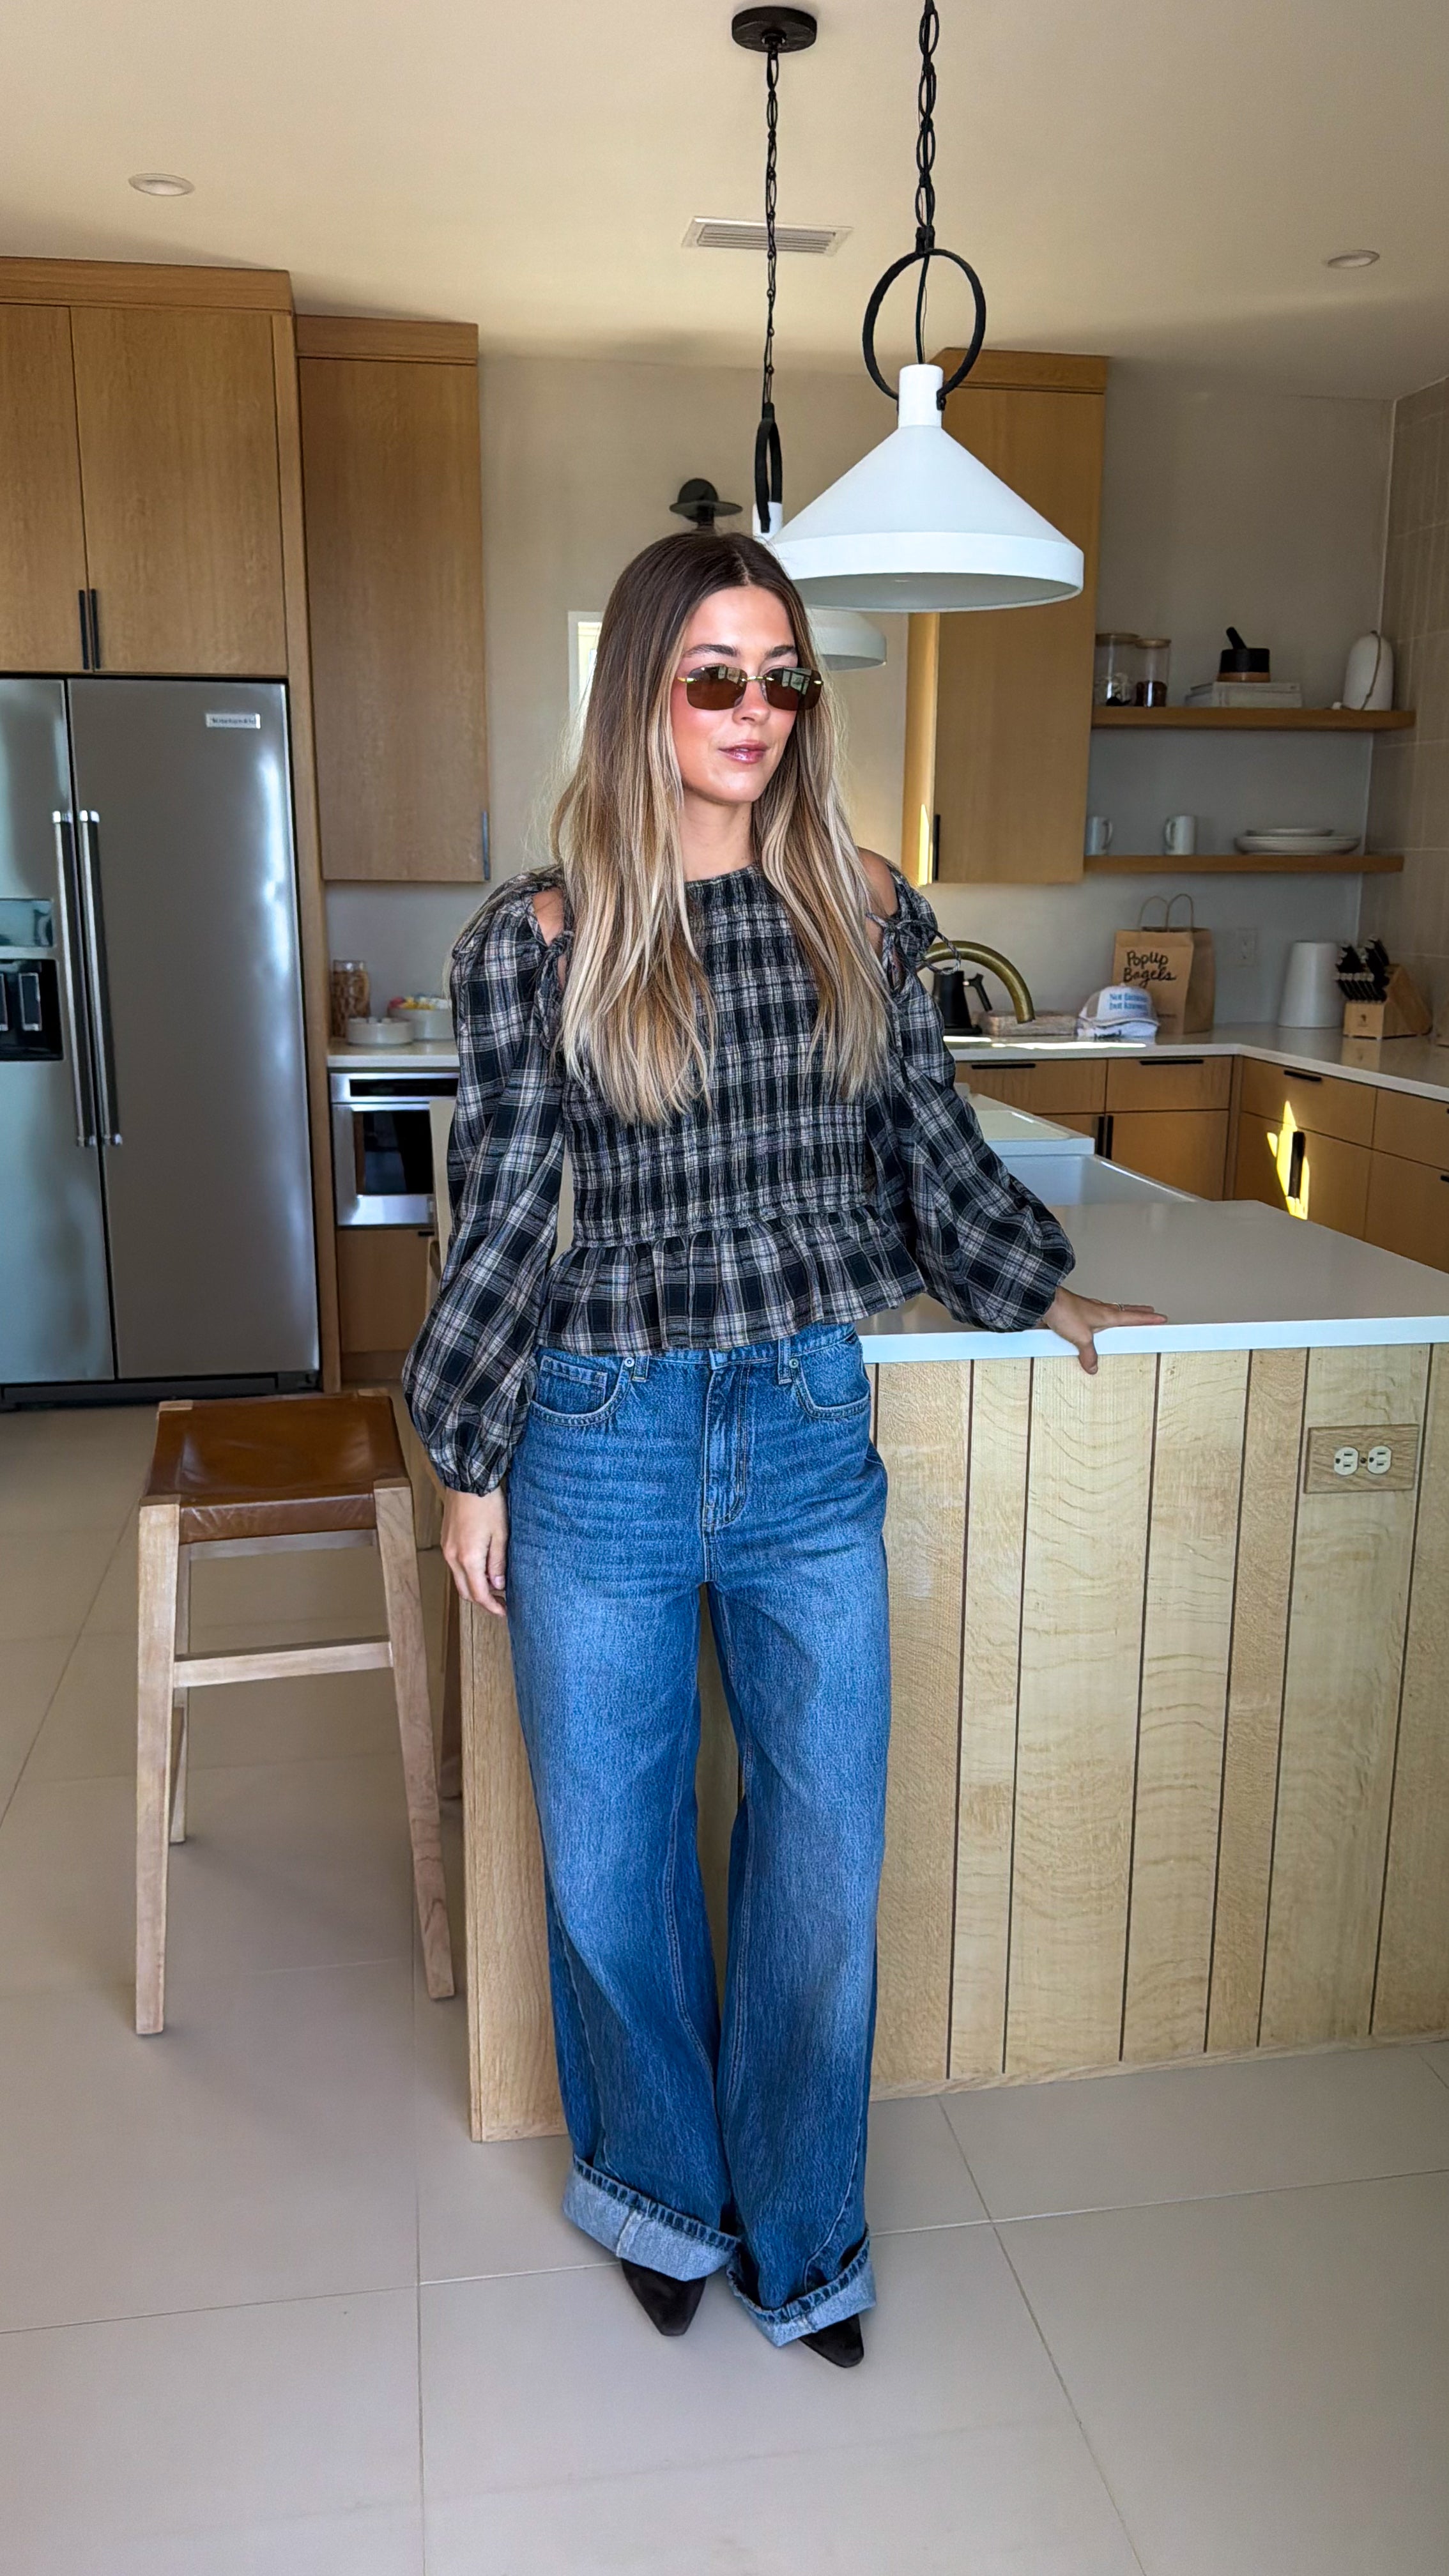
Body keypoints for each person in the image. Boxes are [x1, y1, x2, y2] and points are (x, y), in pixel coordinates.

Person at [404, 532, 1162, 2367]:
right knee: (612, 1869)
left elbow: (928, 1140)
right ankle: (661, 2194)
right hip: (597, 1437)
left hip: (808, 1427)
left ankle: (805, 2238)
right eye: (713, 678)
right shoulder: (540, 937)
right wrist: (468, 1455)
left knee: (819, 1865)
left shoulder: (863, 907)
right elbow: (502, 1211)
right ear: (641, 694)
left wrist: (1035, 1288)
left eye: (782, 677)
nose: (755, 712)